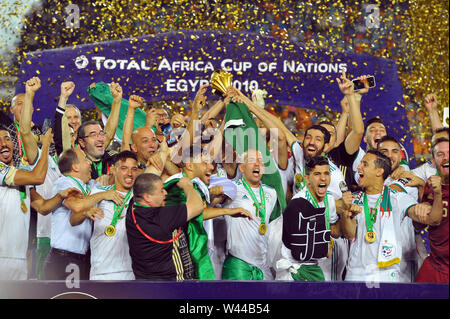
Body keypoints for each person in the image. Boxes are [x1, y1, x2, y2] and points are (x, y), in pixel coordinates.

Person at [341, 150, 431, 282]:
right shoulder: (353, 200)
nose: (358, 167)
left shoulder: (398, 198)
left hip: (386, 275)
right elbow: (349, 235)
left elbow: (424, 218)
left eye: (365, 164)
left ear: (379, 171)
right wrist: (346, 212)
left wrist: (426, 205)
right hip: (355, 274)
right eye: (360, 163)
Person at [43, 147, 124, 280]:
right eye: (85, 159)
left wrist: (108, 177)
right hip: (64, 259)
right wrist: (104, 195)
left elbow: (108, 182)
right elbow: (77, 205)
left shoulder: (88, 186)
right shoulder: (63, 182)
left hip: (79, 259)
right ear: (75, 167)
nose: (90, 162)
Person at [275, 156, 347, 281]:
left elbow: (335, 232)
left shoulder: (329, 199)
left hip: (314, 268)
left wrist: (346, 211)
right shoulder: (298, 203)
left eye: (326, 173)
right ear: (307, 179)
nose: (323, 178)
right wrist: (325, 248)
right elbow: (299, 251)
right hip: (295, 272)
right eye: (317, 174)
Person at [0, 125, 54, 279]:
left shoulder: (20, 176)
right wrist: (45, 146)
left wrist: (62, 195)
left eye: (7, 139)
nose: (3, 143)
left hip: (20, 259)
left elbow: (43, 207)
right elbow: (38, 177)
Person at [126, 174, 204, 280]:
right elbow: (197, 206)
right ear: (147, 197)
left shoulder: (133, 206)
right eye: (161, 190)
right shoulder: (161, 218)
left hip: (145, 285)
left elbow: (144, 180)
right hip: (172, 285)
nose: (165, 193)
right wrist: (187, 186)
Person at [221, 149, 279, 280]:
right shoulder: (231, 188)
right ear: (241, 167)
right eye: (252, 161)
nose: (257, 164)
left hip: (264, 266)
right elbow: (211, 199)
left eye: (261, 161)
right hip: (239, 264)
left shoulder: (271, 193)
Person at [89, 151, 139, 280]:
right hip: (100, 272)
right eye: (124, 168)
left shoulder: (140, 197)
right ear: (113, 170)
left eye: (134, 169)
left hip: (130, 272)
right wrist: (102, 196)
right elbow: (76, 216)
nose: (129, 173)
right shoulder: (98, 192)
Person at [414, 137, 449, 283]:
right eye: (440, 154)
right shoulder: (430, 188)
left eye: (449, 153)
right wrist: (421, 209)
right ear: (433, 161)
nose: (446, 157)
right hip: (436, 267)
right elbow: (419, 225)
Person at [76, 82, 123, 181]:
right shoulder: (75, 160)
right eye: (93, 135)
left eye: (101, 133)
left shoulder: (114, 158)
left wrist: (117, 101)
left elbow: (109, 133)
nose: (100, 138)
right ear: (82, 142)